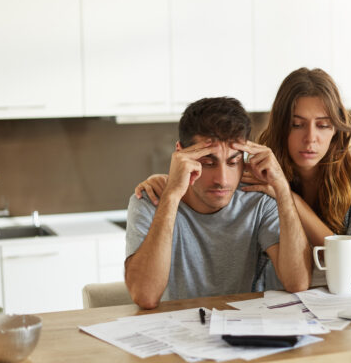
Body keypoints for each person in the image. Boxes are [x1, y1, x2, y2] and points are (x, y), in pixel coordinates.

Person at [135, 68, 351, 288]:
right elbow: (216, 170)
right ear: (281, 124)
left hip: (341, 296)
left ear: (336, 127)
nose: (310, 138)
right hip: (278, 301)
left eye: (322, 125)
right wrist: (167, 183)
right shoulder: (259, 165)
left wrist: (286, 195)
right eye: (297, 124)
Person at [125, 97, 312, 309]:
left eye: (233, 162)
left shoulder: (258, 200)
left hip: (246, 329)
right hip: (177, 333)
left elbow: (298, 283)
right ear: (180, 154)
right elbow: (145, 296)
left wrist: (282, 189)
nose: (222, 179)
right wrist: (171, 197)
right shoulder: (152, 200)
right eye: (208, 163)